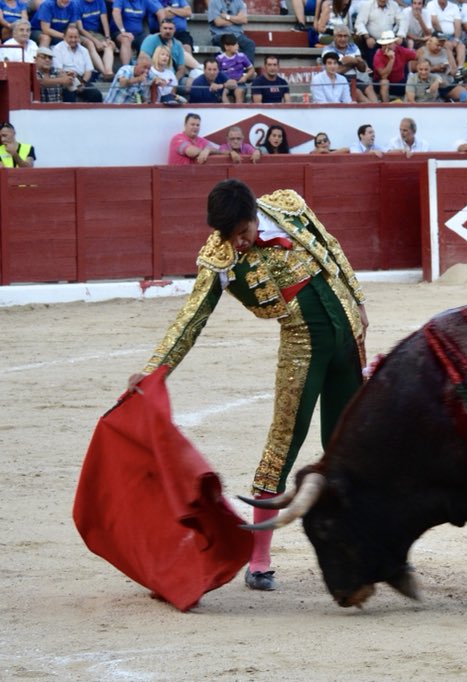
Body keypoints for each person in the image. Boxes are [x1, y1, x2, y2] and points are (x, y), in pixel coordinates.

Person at [127, 178, 368, 592]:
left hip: (346, 333)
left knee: (349, 444)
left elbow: (330, 247)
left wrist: (360, 303)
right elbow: (190, 319)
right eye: (232, 236)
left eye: (243, 232)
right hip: (302, 345)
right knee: (282, 445)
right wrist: (155, 371)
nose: (240, 243)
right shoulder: (219, 257)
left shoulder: (288, 206)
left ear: (254, 216)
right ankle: (259, 560)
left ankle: (366, 545)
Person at [141, 17, 201, 89]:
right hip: (154, 77)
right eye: (165, 28)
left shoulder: (178, 44)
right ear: (160, 29)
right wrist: (156, 77)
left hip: (173, 78)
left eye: (170, 29)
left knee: (197, 84)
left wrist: (172, 81)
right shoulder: (151, 39)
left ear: (174, 30)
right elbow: (143, 59)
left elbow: (181, 69)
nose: (168, 31)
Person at [322, 25, 378, 102]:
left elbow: (362, 69)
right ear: (334, 37)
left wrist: (355, 61)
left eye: (345, 36)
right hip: (337, 81)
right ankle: (373, 110)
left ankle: (377, 107)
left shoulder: (354, 47)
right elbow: (336, 71)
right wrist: (354, 61)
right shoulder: (328, 50)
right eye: (340, 36)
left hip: (353, 79)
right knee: (357, 92)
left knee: (369, 87)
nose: (343, 39)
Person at [53, 24, 102, 102]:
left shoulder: (84, 50)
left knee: (96, 94)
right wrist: (75, 84)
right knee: (69, 94)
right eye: (70, 37)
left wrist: (82, 83)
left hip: (82, 80)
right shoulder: (58, 49)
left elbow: (88, 70)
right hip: (66, 80)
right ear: (64, 37)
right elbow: (59, 71)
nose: (73, 40)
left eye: (75, 37)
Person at [112, 0, 165, 67]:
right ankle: (125, 69)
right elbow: (116, 12)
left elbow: (160, 11)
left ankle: (152, 70)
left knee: (151, 41)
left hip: (139, 33)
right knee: (126, 39)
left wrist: (163, 29)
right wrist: (123, 31)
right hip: (120, 31)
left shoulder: (144, 1)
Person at [208, 0, 257, 65]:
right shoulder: (214, 2)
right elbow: (218, 22)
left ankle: (247, 69)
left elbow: (244, 20)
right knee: (233, 46)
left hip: (237, 35)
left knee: (250, 44)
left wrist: (227, 17)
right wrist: (236, 20)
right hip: (221, 35)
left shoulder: (239, 2)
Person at [75, 0, 115, 80]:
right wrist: (95, 41)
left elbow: (104, 20)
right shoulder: (76, 3)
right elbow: (80, 29)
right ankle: (104, 73)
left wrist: (107, 37)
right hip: (82, 34)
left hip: (96, 33)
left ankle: (108, 71)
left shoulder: (100, 2)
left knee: (109, 45)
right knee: (90, 44)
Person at [372, 30, 416, 101]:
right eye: (384, 44)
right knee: (384, 82)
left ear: (394, 44)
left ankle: (409, 107)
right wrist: (391, 60)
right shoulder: (378, 55)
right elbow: (384, 76)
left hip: (400, 82)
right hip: (380, 84)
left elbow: (416, 56)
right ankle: (385, 107)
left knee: (413, 80)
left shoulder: (401, 50)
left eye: (389, 44)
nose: (387, 47)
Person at [354, 0, 400, 64]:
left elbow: (401, 21)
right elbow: (359, 23)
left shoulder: (394, 5)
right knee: (370, 46)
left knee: (402, 44)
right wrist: (367, 37)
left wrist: (400, 35)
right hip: (372, 38)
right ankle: (373, 71)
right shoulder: (367, 5)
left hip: (389, 38)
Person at [426, 0, 466, 73]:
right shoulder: (431, 4)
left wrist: (456, 39)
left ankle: (460, 69)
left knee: (461, 46)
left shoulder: (454, 6)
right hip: (437, 34)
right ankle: (454, 71)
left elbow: (458, 24)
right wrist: (445, 38)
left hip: (452, 36)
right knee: (447, 45)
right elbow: (434, 22)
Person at [216, 33, 255, 103]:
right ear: (226, 47)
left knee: (239, 92)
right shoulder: (220, 58)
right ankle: (228, 111)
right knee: (223, 93)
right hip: (226, 83)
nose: (238, 46)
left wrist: (245, 77)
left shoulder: (241, 56)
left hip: (239, 82)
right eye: (235, 45)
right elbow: (217, 73)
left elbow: (251, 69)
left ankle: (238, 111)